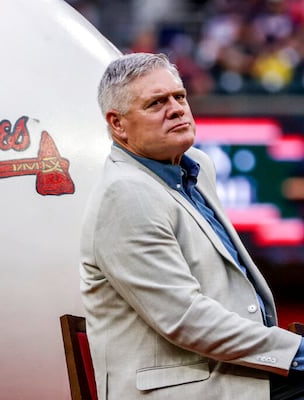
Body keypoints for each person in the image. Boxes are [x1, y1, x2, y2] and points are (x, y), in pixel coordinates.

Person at [79, 52, 304, 399]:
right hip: (190, 388)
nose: (176, 109)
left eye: (179, 97)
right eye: (156, 103)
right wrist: (297, 353)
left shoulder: (196, 165)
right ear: (118, 124)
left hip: (234, 371)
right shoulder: (126, 193)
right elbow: (186, 318)